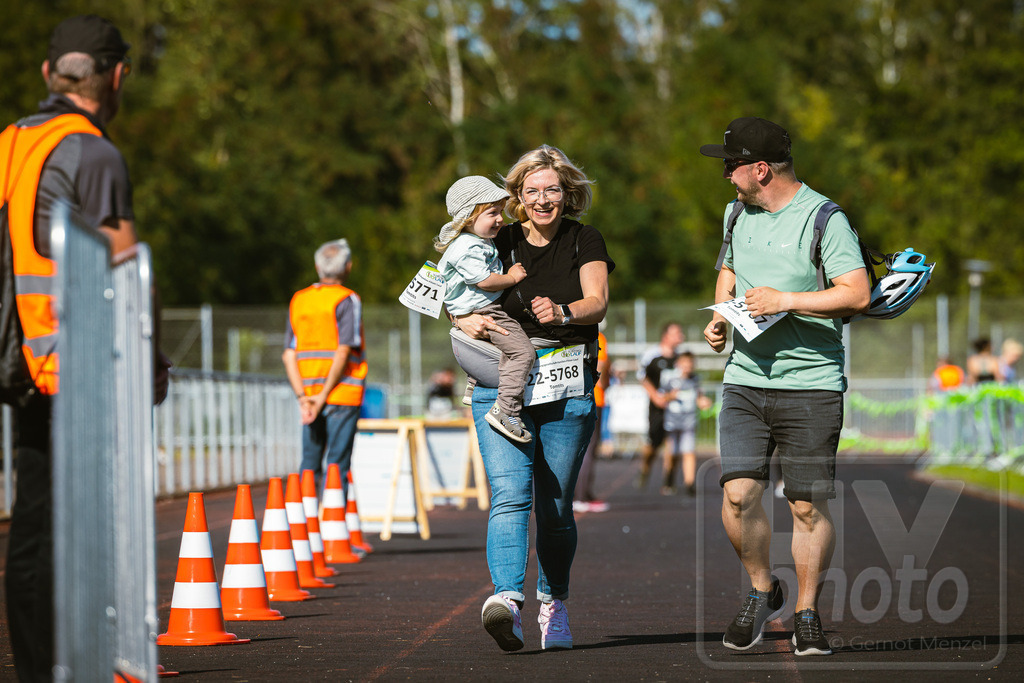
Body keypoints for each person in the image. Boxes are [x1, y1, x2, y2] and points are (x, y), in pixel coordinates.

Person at [2, 14, 143, 681]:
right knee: (71, 526)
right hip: (67, 359)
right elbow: (123, 264)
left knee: (32, 524)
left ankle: (37, 667)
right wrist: (149, 358)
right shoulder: (94, 151)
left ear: (47, 75)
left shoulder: (9, 141)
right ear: (116, 77)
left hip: (16, 352)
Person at [700, 117, 870, 657]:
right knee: (737, 494)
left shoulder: (826, 218)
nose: (726, 175)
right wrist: (721, 317)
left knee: (804, 506)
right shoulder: (734, 214)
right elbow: (730, 269)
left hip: (813, 385)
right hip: (745, 381)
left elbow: (857, 293)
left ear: (760, 169)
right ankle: (761, 588)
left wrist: (787, 300)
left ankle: (807, 611)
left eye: (731, 166)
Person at [452, 144, 613, 652]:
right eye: (531, 191)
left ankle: (553, 602)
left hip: (566, 385)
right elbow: (444, 283)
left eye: (552, 190)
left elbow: (597, 303)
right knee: (510, 495)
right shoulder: (494, 235)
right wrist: (461, 318)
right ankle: (506, 603)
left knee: (556, 506)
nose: (542, 199)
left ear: (568, 194)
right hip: (500, 383)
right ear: (516, 197)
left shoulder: (584, 238)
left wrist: (563, 313)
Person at [435, 175, 535, 443]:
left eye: (501, 212)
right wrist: (512, 277)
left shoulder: (476, 241)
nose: (500, 219)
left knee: (502, 351)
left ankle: (474, 381)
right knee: (523, 353)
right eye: (492, 213)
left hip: (478, 310)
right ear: (468, 217)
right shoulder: (467, 247)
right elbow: (484, 281)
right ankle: (507, 409)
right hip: (486, 312)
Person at [283, 239, 367, 498]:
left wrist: (304, 399)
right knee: (337, 468)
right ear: (348, 267)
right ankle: (334, 533)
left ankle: (305, 529)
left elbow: (288, 354)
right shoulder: (348, 299)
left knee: (309, 466)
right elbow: (343, 351)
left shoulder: (300, 299)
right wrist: (321, 401)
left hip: (308, 395)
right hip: (341, 393)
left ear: (318, 266)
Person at [636, 322, 684, 488]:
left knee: (674, 443)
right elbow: (642, 377)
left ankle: (669, 480)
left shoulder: (680, 358)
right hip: (657, 406)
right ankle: (645, 469)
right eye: (676, 333)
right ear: (666, 336)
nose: (680, 336)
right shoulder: (652, 354)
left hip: (676, 407)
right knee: (653, 444)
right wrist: (655, 396)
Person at [658, 351, 712, 496]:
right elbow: (662, 397)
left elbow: (699, 397)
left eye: (690, 364)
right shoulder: (670, 379)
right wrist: (671, 396)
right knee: (672, 453)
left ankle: (689, 483)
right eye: (685, 364)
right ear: (679, 364)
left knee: (689, 452)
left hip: (689, 421)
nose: (687, 367)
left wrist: (703, 402)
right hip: (672, 421)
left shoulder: (695, 380)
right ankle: (668, 479)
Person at [573, 329, 611, 512]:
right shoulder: (597, 337)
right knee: (588, 447)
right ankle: (581, 496)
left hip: (573, 395)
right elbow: (601, 369)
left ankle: (581, 494)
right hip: (593, 396)